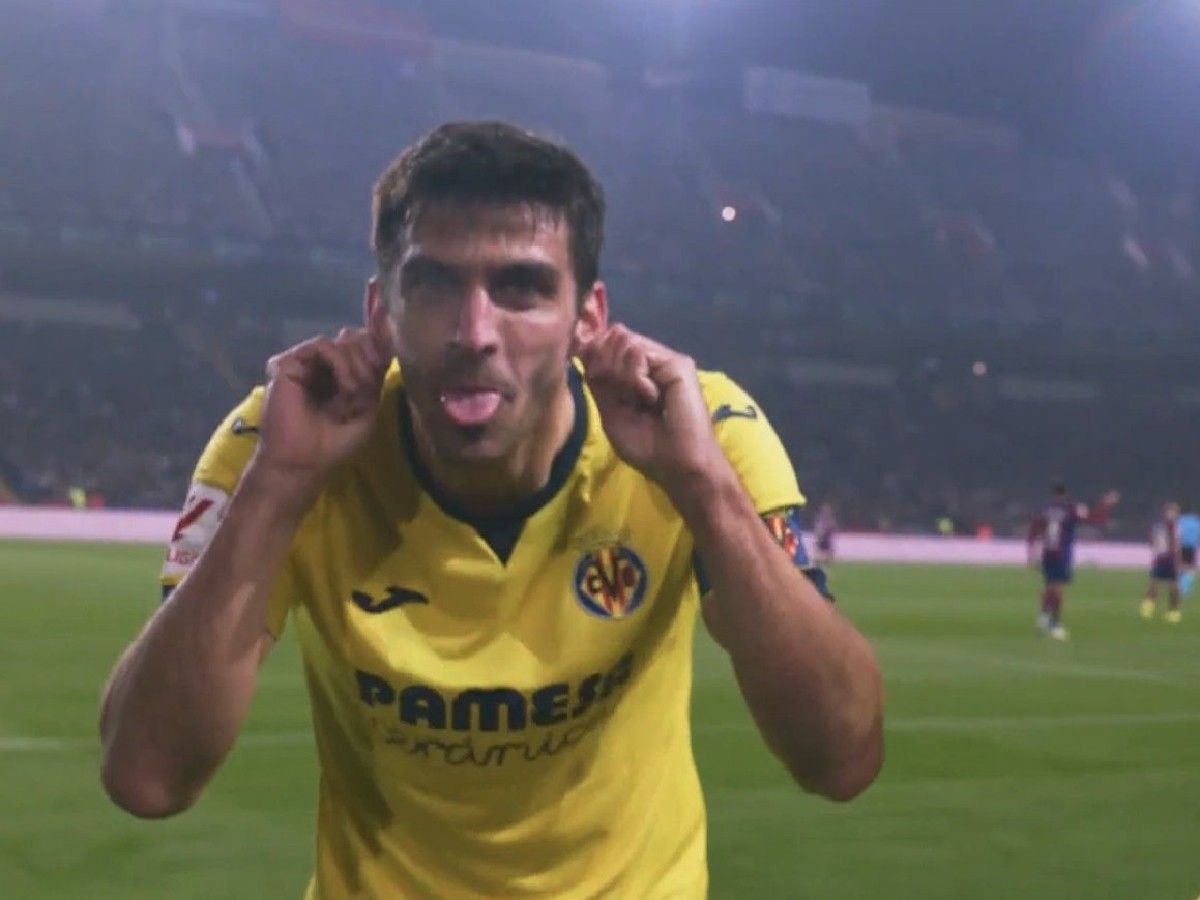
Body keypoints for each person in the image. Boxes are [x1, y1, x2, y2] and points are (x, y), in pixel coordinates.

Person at [98, 122, 884, 899]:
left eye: (522, 289)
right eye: (433, 284)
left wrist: (705, 491)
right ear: (381, 312)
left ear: (589, 318)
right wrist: (274, 488)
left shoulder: (696, 430)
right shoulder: (286, 438)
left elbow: (842, 758)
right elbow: (147, 777)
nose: (474, 333)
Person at [1027, 482, 1119, 641]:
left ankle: (1043, 617)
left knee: (1049, 587)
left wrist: (1031, 554)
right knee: (1058, 590)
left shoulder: (1045, 509)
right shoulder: (1071, 508)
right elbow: (1095, 518)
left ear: (1053, 494)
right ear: (1066, 494)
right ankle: (1055, 625)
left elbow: (1033, 531)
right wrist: (1107, 504)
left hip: (1047, 553)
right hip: (1062, 554)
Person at [1140, 502, 1183, 623]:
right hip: (1160, 558)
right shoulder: (1159, 526)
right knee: (1154, 583)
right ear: (1165, 513)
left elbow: (1177, 544)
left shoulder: (1177, 527)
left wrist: (1179, 560)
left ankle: (1173, 612)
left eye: (1174, 512)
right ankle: (1147, 607)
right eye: (1169, 512)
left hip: (1172, 559)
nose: (1171, 514)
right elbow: (1153, 540)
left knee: (1174, 586)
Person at [1175, 507, 1199, 599]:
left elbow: (1177, 534)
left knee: (1180, 567)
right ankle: (1185, 588)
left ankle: (1180, 587)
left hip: (1182, 546)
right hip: (1192, 547)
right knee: (1191, 568)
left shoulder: (1180, 520)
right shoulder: (1197, 521)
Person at [813, 500, 838, 565]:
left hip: (827, 539)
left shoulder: (830, 519)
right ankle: (818, 561)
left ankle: (820, 561)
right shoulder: (820, 519)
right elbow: (818, 529)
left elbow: (833, 528)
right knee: (822, 554)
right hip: (822, 539)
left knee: (829, 555)